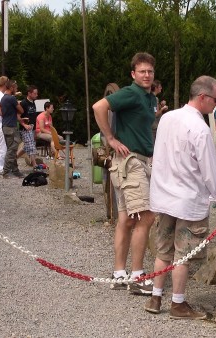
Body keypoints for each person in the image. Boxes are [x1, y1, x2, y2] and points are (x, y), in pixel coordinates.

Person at [144, 75, 216, 319]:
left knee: (163, 251)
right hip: (187, 199)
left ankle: (155, 297)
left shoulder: (167, 118)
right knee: (182, 255)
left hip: (165, 196)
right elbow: (210, 170)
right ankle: (178, 303)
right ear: (203, 97)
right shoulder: (200, 129)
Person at [92, 52, 158, 295]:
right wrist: (110, 138)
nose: (147, 75)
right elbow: (99, 106)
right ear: (133, 74)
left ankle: (119, 273)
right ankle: (138, 277)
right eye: (142, 71)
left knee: (127, 219)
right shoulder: (131, 92)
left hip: (135, 161)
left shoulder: (148, 97)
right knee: (146, 217)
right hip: (131, 163)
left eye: (150, 71)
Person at [0, 80, 25, 179]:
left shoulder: (3, 98)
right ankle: (6, 172)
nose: (17, 90)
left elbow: (1, 112)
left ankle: (15, 170)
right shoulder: (11, 98)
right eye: (16, 88)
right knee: (12, 150)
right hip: (11, 127)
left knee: (12, 149)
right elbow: (21, 110)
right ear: (11, 88)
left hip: (5, 126)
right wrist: (17, 104)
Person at [17, 85, 38, 166]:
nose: (36, 95)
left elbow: (34, 116)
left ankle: (13, 159)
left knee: (26, 147)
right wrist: (23, 125)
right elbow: (18, 116)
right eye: (35, 93)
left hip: (32, 127)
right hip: (25, 128)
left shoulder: (34, 103)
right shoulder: (23, 103)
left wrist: (36, 129)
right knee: (31, 146)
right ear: (29, 93)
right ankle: (35, 165)